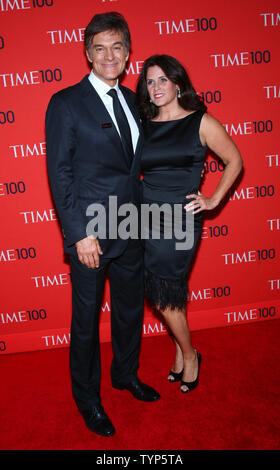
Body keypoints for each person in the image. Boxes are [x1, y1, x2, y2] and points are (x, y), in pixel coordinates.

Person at [45, 12, 160, 438]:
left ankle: (125, 375)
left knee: (130, 309)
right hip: (91, 229)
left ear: (128, 54)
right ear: (87, 54)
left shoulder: (134, 101)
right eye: (100, 48)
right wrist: (78, 233)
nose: (109, 55)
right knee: (87, 320)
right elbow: (61, 174)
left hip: (132, 224)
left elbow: (140, 165)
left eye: (117, 47)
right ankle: (88, 400)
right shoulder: (66, 103)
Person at [136, 55, 243, 393]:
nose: (155, 87)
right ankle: (183, 351)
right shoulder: (144, 123)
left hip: (180, 221)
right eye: (150, 82)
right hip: (144, 218)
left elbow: (234, 160)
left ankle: (191, 355)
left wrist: (212, 200)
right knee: (163, 294)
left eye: (162, 80)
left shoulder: (200, 121)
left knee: (166, 296)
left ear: (177, 83)